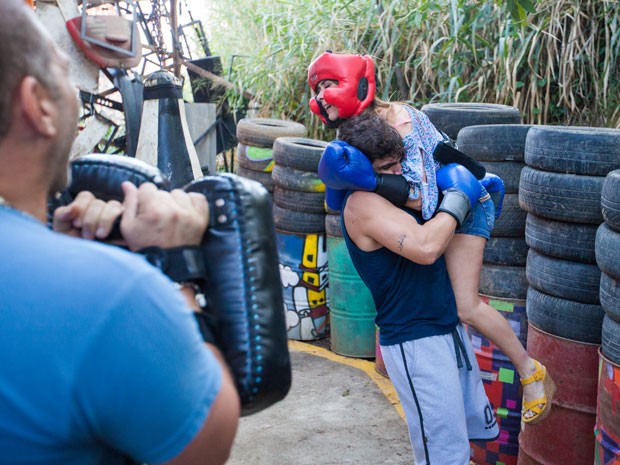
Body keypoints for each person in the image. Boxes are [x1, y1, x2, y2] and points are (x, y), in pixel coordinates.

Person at [0, 1, 240, 463]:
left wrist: (53, 246)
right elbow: (208, 444)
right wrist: (175, 271)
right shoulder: (113, 297)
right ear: (38, 105)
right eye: (63, 72)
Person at [308, 51, 555, 425]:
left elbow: (425, 197)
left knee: (466, 306)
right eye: (317, 88)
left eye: (329, 85)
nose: (323, 96)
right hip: (444, 211)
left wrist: (375, 184)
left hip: (467, 202)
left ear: (356, 83)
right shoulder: (359, 131)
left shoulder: (400, 120)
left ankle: (531, 373)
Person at [320, 139, 500, 464]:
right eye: (386, 168)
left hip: (446, 326)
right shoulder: (362, 203)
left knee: (464, 443)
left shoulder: (403, 195)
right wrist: (460, 198)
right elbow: (427, 248)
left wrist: (477, 210)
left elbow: (445, 242)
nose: (399, 172)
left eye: (399, 162)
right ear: (362, 172)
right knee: (444, 457)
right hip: (416, 341)